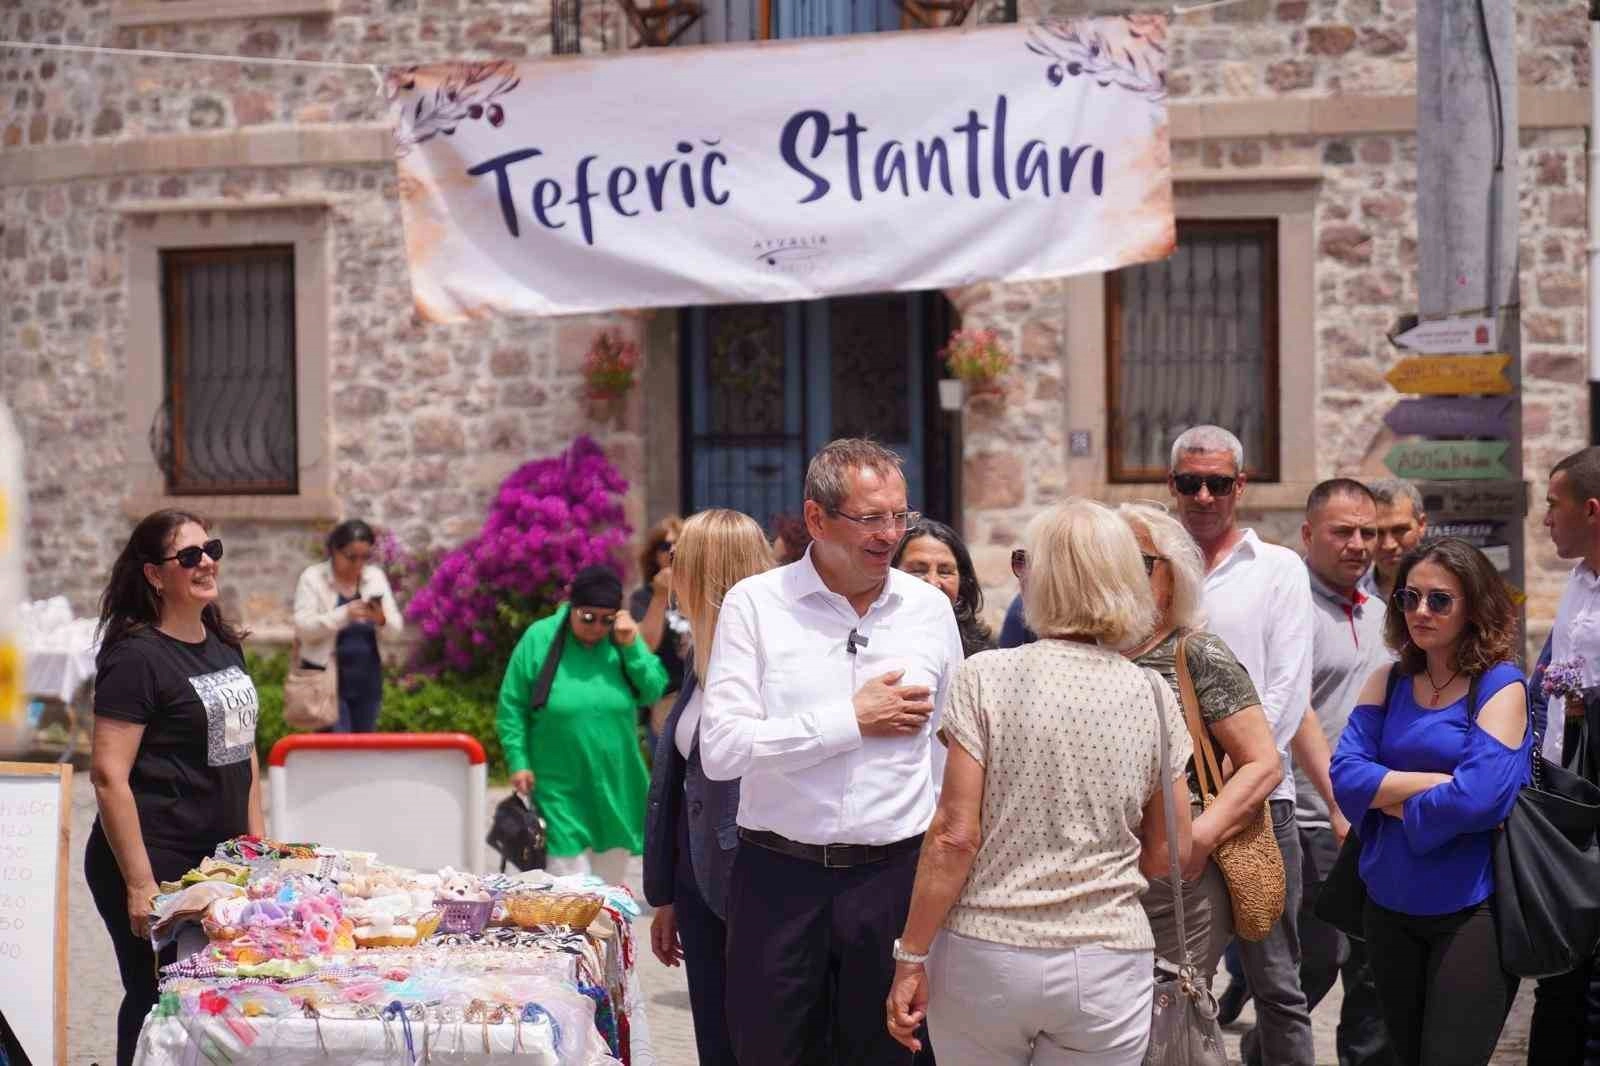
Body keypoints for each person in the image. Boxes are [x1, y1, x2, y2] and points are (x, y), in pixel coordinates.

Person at [885, 498, 1193, 1065]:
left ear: (1039, 577)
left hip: (987, 948)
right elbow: (1169, 850)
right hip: (1108, 953)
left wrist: (912, 955)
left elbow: (955, 835)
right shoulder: (1152, 695)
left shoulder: (985, 676)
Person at [699, 438, 964, 1066]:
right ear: (816, 518)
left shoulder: (929, 610)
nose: (890, 534)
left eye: (899, 516)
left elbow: (949, 752)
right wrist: (849, 720)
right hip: (778, 884)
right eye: (870, 518)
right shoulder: (755, 605)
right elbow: (722, 750)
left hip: (893, 882)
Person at [1330, 538, 1528, 1066]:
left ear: (1474, 607)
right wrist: (1432, 782)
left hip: (1470, 910)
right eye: (1409, 598)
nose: (1421, 611)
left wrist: (1386, 797)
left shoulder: (1500, 686)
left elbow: (1478, 800)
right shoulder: (1388, 680)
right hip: (1387, 905)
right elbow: (1345, 775)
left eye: (1439, 600)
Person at [86, 510, 264, 1066]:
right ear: (154, 575)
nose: (206, 562)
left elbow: (245, 751)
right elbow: (108, 775)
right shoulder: (136, 658)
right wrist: (140, 884)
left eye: (211, 549)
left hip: (219, 863)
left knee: (219, 998)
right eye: (188, 556)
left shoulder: (223, 642)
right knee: (156, 999)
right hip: (156, 860)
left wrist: (257, 849)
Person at [1168, 424, 1315, 1065]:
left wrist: (1241, 772)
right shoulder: (1151, 567)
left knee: (1276, 985)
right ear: (1172, 485)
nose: (1204, 496)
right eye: (1190, 483)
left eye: (1218, 483)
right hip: (1172, 805)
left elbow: (1287, 689)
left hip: (1258, 806)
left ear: (1241, 485)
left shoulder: (1278, 570)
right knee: (1171, 979)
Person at [1117, 501, 1281, 982]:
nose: (1122, 575)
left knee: (1173, 1009)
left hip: (1180, 880)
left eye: (1139, 563)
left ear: (1175, 576)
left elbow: (1262, 763)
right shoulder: (1087, 651)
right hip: (1104, 873)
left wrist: (1199, 841)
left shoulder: (1198, 652)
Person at [643, 509, 773, 1066]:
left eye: (679, 558)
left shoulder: (768, 660)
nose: (668, 569)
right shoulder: (700, 655)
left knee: (757, 1042)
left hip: (754, 880)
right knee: (715, 1045)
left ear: (708, 570)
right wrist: (668, 894)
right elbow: (679, 786)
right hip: (698, 881)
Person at [1282, 479, 1396, 1066]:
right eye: (1343, 531)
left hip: (1377, 817)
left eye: (1367, 532)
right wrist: (1335, 801)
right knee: (1316, 963)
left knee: (1373, 967)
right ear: (1308, 534)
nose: (1359, 544)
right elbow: (1294, 711)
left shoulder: (1383, 614)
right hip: (1310, 817)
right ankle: (1266, 1052)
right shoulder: (1290, 609)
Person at [496, 565, 669, 885]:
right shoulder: (540, 638)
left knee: (608, 891)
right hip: (558, 786)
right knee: (571, 890)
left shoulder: (620, 639)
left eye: (606, 619)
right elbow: (512, 706)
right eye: (588, 618)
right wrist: (518, 761)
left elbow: (653, 689)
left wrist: (631, 646)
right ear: (571, 607)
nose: (596, 627)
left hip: (615, 786)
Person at [1527, 446, 1600, 1065]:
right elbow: (1545, 683)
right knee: (1561, 965)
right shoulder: (1578, 584)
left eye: (1554, 505)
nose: (1546, 519)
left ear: (1592, 510)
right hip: (1564, 804)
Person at [292, 518, 404, 734]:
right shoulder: (313, 578)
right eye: (352, 557)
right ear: (335, 550)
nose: (358, 564)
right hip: (326, 681)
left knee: (363, 748)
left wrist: (381, 619)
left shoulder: (375, 577)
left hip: (367, 681)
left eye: (365, 557)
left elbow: (396, 630)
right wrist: (344, 614)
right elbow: (303, 627)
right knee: (335, 748)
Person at [893, 518, 993, 657]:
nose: (933, 582)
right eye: (918, 570)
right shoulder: (871, 643)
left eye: (945, 572)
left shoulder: (980, 659)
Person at [631, 515, 689, 741]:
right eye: (665, 546)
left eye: (680, 544)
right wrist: (660, 595)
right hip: (666, 702)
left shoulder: (702, 591)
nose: (673, 550)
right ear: (654, 555)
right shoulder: (644, 597)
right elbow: (646, 646)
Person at [1366, 479, 1427, 601]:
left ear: (1421, 525)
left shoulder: (1454, 588)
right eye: (1377, 533)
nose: (1389, 545)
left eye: (1399, 530)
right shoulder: (1348, 594)